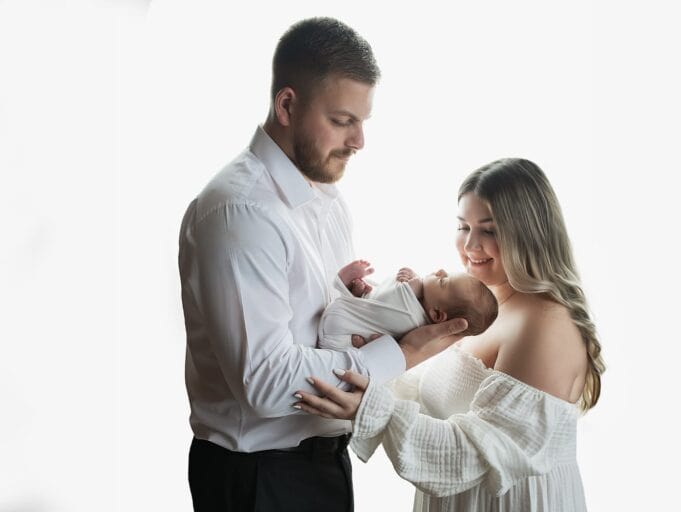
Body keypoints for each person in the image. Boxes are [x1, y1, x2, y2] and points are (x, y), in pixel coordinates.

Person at [177, 17, 467, 512]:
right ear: (287, 105)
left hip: (323, 464)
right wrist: (401, 352)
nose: (359, 141)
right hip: (259, 480)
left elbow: (317, 331)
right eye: (342, 120)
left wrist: (359, 308)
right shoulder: (241, 211)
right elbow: (268, 382)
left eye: (363, 121)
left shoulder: (327, 200)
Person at [294, 158, 606, 512]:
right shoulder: (478, 308)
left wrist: (372, 408)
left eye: (489, 230)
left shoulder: (544, 325)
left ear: (530, 235)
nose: (470, 245)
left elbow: (474, 456)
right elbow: (433, 400)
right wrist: (381, 357)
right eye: (463, 226)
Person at [318, 260, 498, 350]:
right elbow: (384, 301)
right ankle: (361, 294)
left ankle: (349, 288)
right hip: (353, 323)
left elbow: (394, 298)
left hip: (338, 336)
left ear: (436, 314)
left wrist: (413, 284)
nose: (440, 271)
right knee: (375, 301)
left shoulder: (411, 319)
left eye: (443, 281)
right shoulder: (417, 306)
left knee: (382, 303)